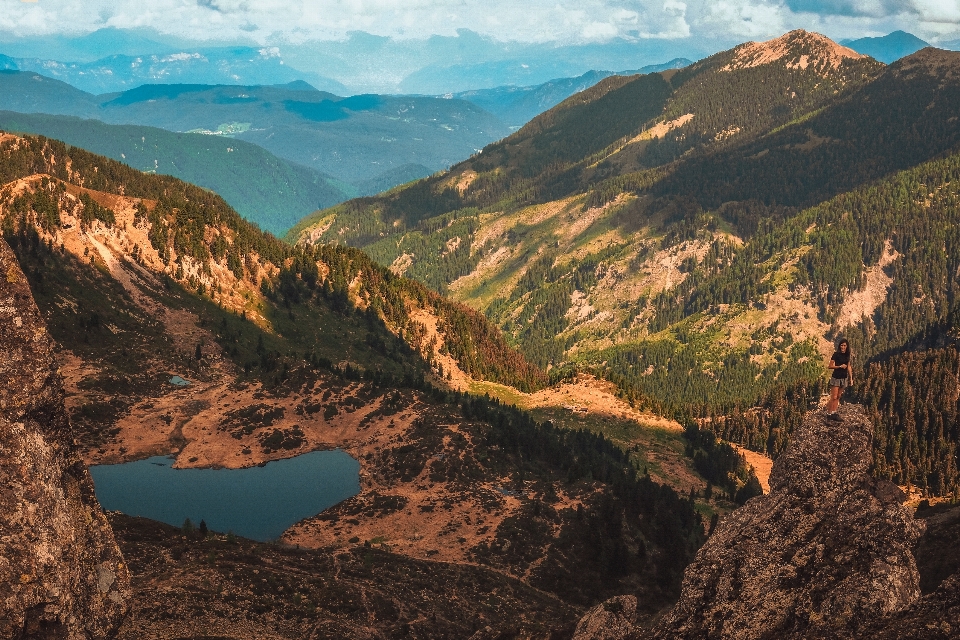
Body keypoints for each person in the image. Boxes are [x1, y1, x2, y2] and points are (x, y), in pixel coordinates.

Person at [825, 338, 852, 421]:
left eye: (844, 345)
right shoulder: (836, 354)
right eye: (841, 345)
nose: (843, 347)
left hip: (844, 378)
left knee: (839, 396)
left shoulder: (847, 355)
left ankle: (834, 412)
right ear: (839, 346)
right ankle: (829, 414)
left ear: (847, 346)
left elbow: (849, 366)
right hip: (836, 377)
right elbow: (830, 366)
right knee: (834, 396)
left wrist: (851, 378)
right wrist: (839, 366)